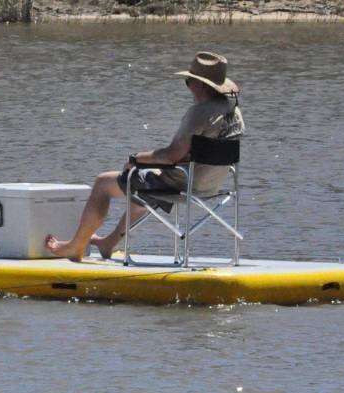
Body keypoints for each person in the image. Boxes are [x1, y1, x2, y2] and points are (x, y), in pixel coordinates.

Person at [45, 51, 245, 261]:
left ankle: (75, 247)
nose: (188, 87)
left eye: (188, 81)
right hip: (213, 184)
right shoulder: (234, 112)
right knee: (144, 178)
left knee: (105, 182)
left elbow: (171, 155)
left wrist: (136, 158)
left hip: (184, 183)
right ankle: (109, 242)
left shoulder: (199, 112)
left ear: (201, 85)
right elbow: (203, 153)